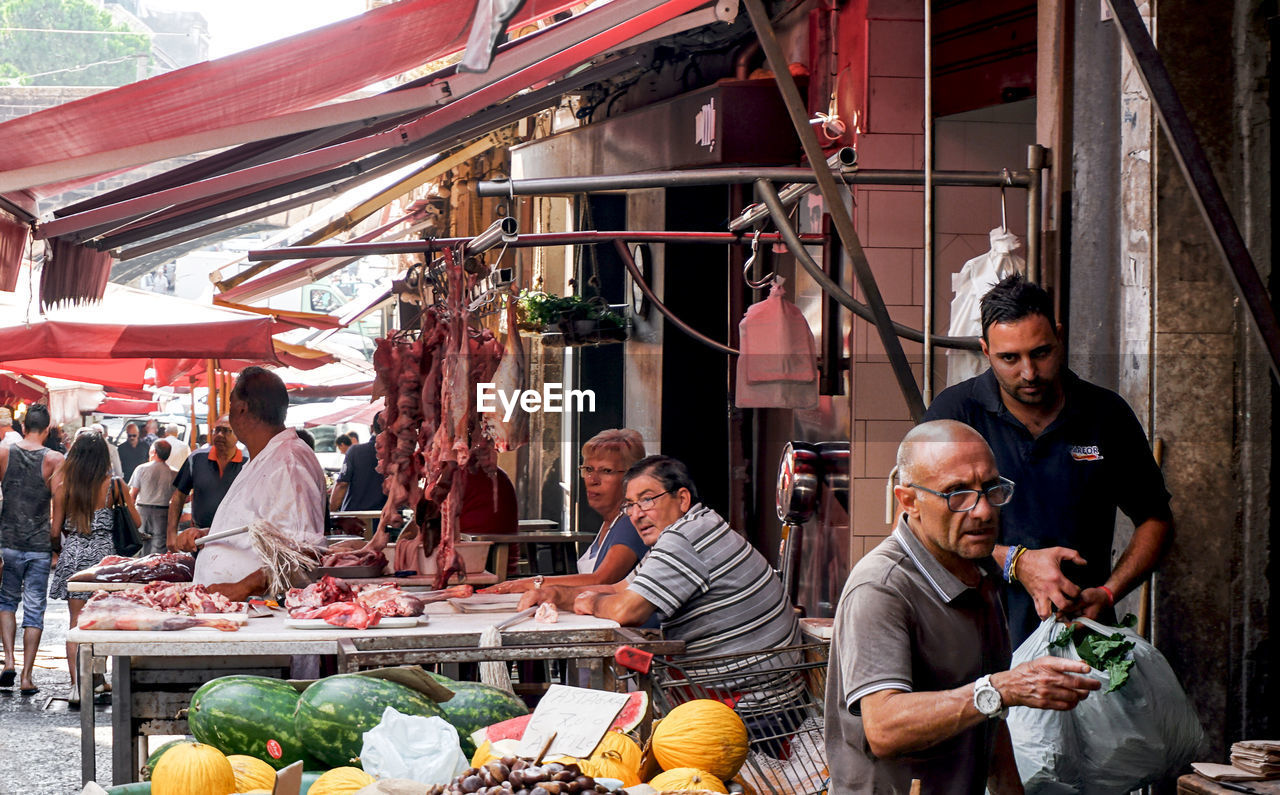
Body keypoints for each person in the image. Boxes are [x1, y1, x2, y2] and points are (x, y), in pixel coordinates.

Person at [825, 420, 1101, 794]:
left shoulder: (980, 571)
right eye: (957, 494)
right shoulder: (881, 587)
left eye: (991, 490)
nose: (984, 511)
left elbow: (989, 723)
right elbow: (884, 729)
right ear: (909, 501)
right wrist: (1000, 688)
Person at [923, 274, 1173, 644]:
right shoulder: (956, 415)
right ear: (986, 351)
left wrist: (1107, 593)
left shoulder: (1105, 414)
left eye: (1040, 352)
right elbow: (915, 527)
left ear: (1058, 335)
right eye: (1010, 358)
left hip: (1082, 643)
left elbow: (1155, 519)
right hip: (976, 644)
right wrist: (1014, 561)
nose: (1029, 373)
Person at [521, 455, 799, 666]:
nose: (637, 514)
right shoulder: (695, 526)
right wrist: (556, 595)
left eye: (647, 500)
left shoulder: (685, 538)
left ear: (682, 499)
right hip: (746, 691)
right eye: (630, 504)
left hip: (751, 705)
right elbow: (622, 589)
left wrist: (588, 602)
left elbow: (626, 610)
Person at [176, 367, 325, 601]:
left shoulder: (288, 462)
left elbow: (302, 551)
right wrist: (210, 535)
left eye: (231, 402)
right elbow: (264, 531)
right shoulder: (267, 457)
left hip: (259, 610)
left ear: (241, 408)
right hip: (232, 609)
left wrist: (242, 588)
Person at [483, 429, 649, 595]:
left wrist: (531, 583)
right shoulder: (610, 521)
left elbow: (602, 580)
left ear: (630, 478)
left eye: (606, 471)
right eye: (589, 469)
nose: (593, 480)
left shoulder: (630, 521)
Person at [49, 431, 140, 705]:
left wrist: (65, 542)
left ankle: (78, 687)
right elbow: (135, 521)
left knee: (76, 624)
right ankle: (98, 680)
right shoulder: (114, 485)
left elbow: (55, 531)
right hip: (104, 562)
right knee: (102, 622)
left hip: (75, 557)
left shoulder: (64, 485)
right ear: (104, 455)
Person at [0, 405, 64, 696]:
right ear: (47, 429)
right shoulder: (54, 459)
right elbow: (58, 506)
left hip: (7, 541)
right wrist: (54, 539)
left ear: (24, 426)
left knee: (6, 602)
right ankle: (26, 676)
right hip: (38, 546)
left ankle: (8, 662)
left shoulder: (4, 454)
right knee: (35, 609)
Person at [167, 415, 245, 552]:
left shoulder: (248, 462)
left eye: (226, 431)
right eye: (217, 430)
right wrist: (171, 534)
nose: (220, 435)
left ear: (238, 434)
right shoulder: (196, 459)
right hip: (198, 540)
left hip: (235, 539)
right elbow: (179, 496)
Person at [330, 415, 386, 513]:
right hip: (384, 517)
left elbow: (342, 484)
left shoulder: (355, 451)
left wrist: (331, 514)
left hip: (354, 518)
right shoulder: (398, 454)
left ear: (372, 427)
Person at [129, 440, 176, 556]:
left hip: (142, 512)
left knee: (141, 545)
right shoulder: (174, 473)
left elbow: (132, 495)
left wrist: (130, 515)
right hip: (163, 513)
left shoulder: (141, 469)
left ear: (154, 452)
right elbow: (181, 498)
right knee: (159, 548)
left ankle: (141, 569)